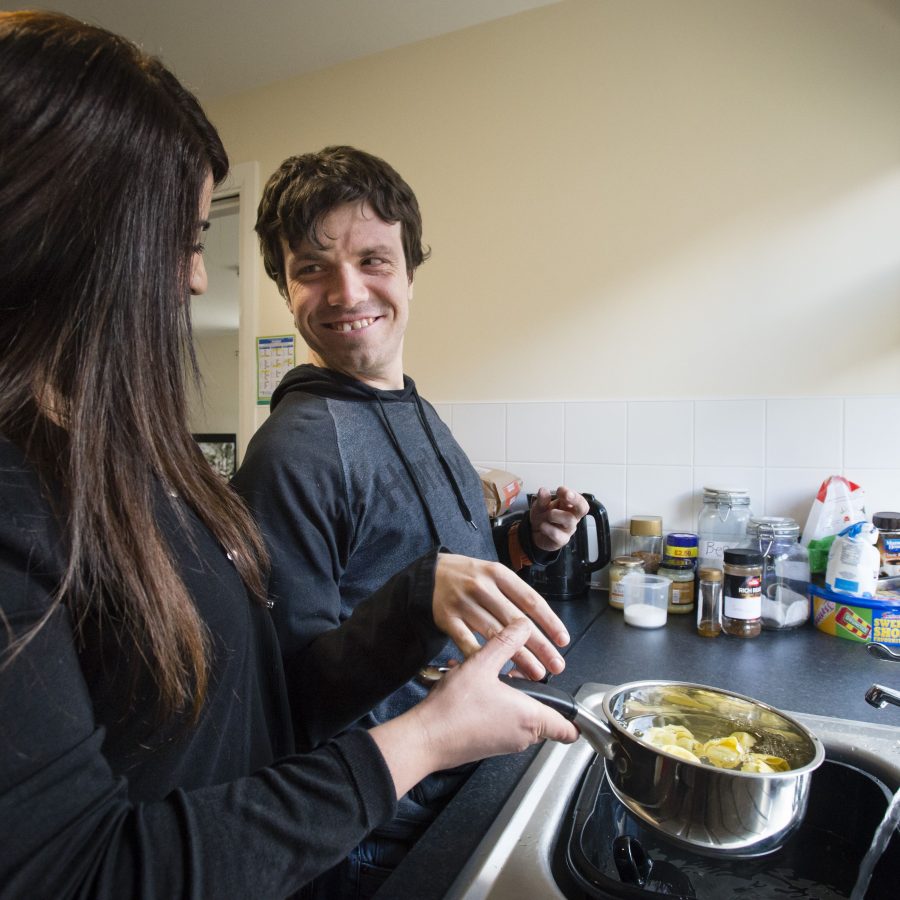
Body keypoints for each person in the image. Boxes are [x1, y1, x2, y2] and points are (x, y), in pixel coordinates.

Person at [0, 13, 579, 899]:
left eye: (375, 261)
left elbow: (253, 706)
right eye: (189, 239)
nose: (198, 278)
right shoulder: (293, 447)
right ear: (75, 229)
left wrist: (498, 556)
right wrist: (420, 739)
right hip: (359, 825)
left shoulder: (133, 454)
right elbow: (75, 868)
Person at [233, 145, 590, 894]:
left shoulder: (416, 411)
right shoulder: (293, 452)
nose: (345, 289)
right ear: (283, 287)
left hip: (459, 785)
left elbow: (427, 562)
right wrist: (419, 593)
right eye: (311, 269)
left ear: (410, 271)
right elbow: (289, 700)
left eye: (373, 259)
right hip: (376, 836)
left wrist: (525, 541)